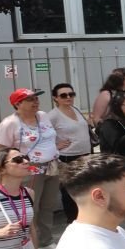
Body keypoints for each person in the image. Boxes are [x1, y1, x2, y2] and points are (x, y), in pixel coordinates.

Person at [0, 88, 60, 249]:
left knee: (48, 204)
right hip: (30, 169)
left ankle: (45, 240)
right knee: (32, 206)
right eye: (30, 100)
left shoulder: (43, 116)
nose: (35, 102)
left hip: (51, 166)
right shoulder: (10, 123)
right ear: (17, 104)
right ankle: (29, 242)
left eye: (36, 99)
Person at [47, 83, 92, 223]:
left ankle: (85, 218)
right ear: (55, 98)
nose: (68, 97)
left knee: (85, 188)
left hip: (85, 155)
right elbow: (43, 135)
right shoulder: (52, 115)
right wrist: (55, 145)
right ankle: (72, 220)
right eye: (63, 95)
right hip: (68, 157)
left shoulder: (75, 109)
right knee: (69, 190)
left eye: (71, 94)